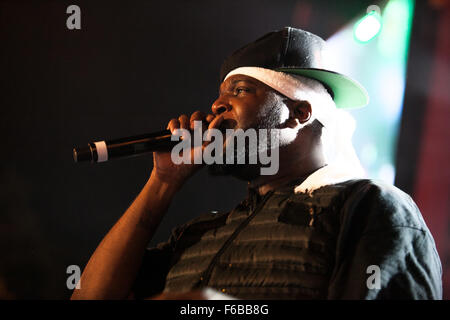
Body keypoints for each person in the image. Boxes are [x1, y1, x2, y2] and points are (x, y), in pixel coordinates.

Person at [71, 27, 442, 300]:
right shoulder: (199, 233)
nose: (216, 106)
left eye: (240, 90)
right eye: (219, 94)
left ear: (299, 112)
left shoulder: (369, 208)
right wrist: (162, 184)